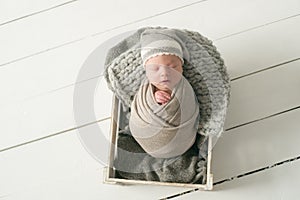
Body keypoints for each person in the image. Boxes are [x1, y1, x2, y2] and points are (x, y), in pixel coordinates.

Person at [129, 29, 200, 158]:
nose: (164, 73)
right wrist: (155, 97)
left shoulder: (184, 88)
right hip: (147, 139)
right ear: (146, 72)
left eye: (173, 67)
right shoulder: (146, 89)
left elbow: (190, 106)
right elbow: (142, 105)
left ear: (182, 68)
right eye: (155, 69)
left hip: (181, 141)